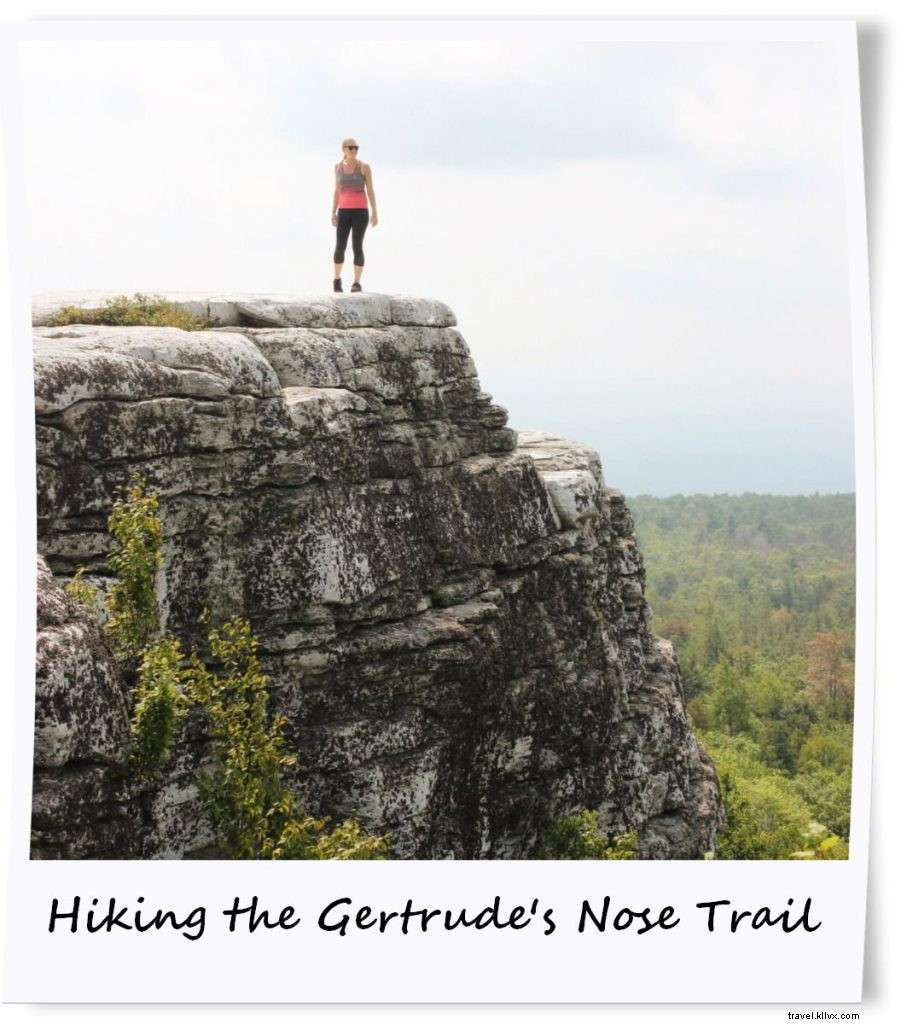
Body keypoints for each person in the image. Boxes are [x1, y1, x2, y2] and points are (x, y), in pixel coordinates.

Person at [332, 138, 378, 293]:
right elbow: (337, 191)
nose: (354, 150)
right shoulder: (338, 168)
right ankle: (337, 279)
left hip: (361, 212)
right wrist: (333, 212)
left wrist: (375, 211)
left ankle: (356, 283)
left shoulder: (364, 167)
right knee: (340, 247)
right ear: (344, 149)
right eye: (351, 148)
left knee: (357, 246)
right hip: (344, 211)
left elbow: (370, 190)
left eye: (356, 148)